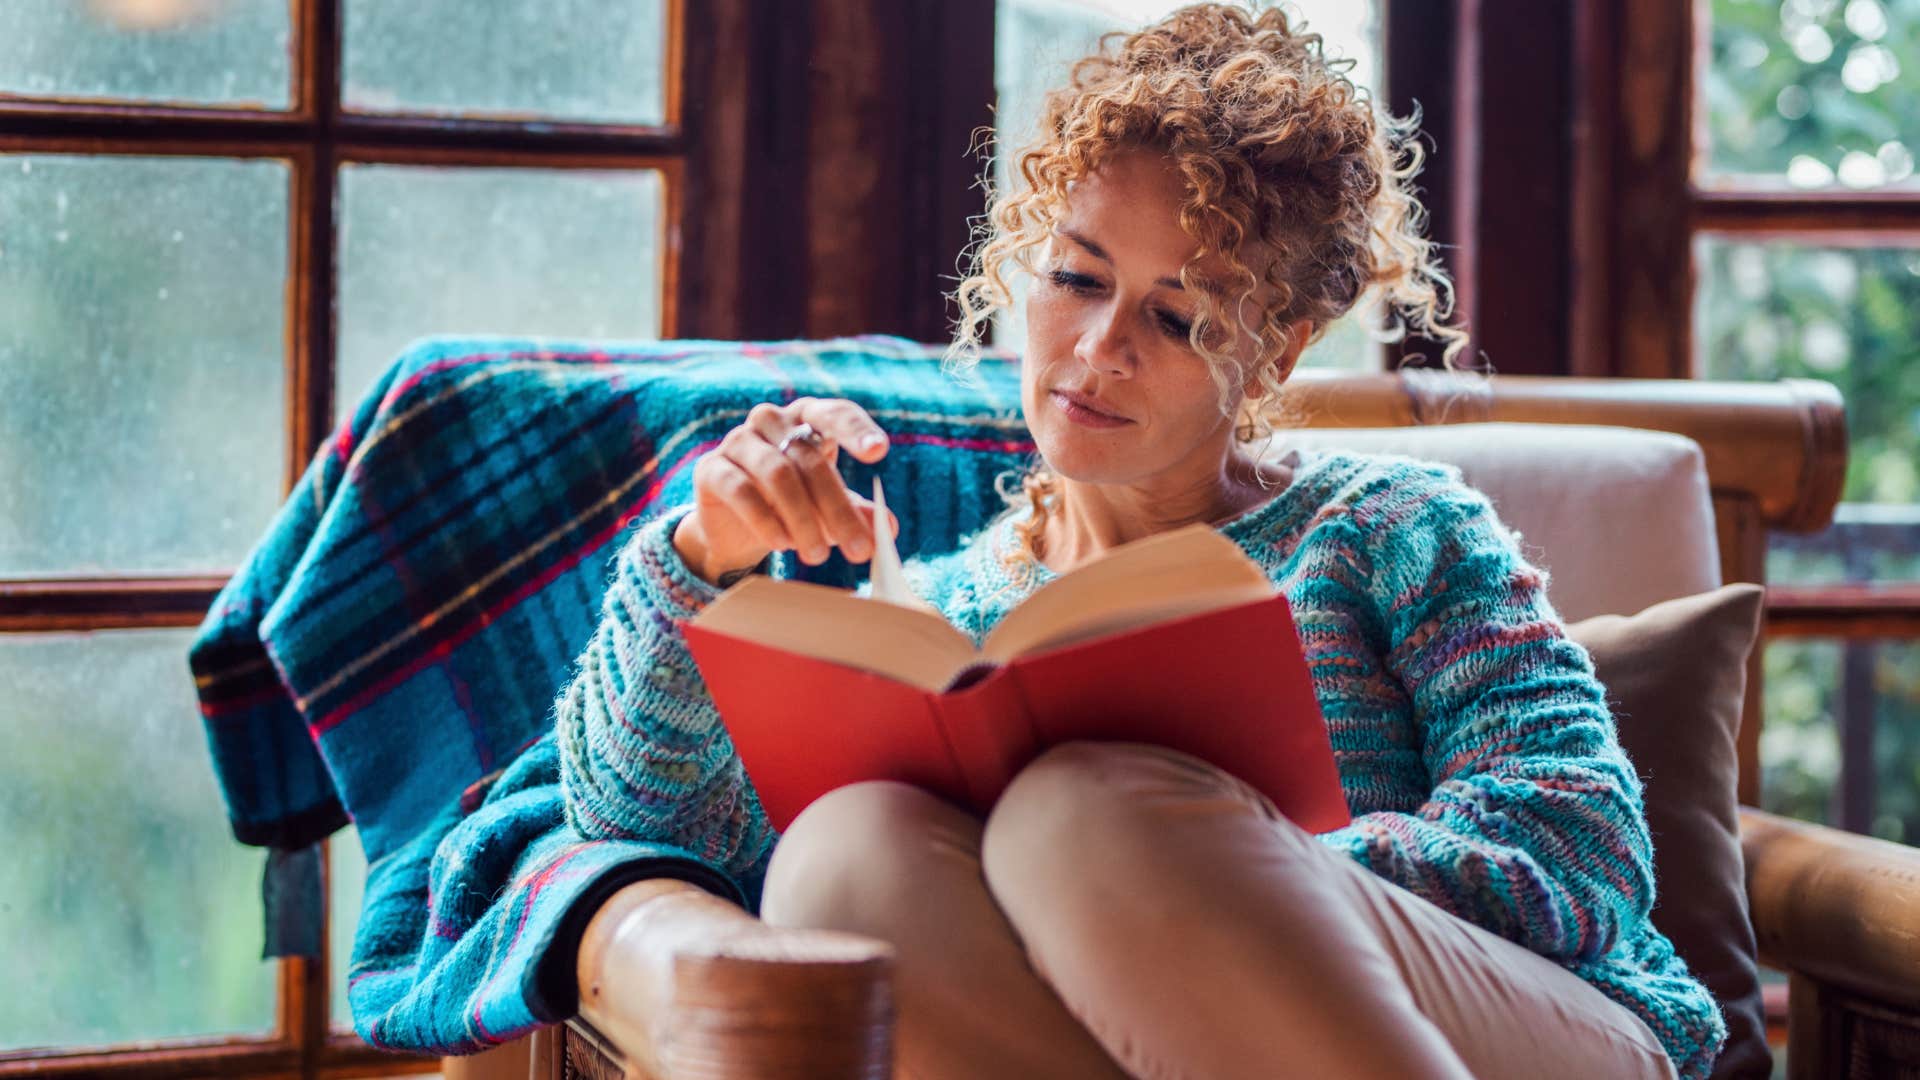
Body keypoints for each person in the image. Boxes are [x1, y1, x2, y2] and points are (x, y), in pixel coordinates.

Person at [555, 4, 1725, 1077]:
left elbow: (1582, 848)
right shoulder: (945, 613)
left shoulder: (1391, 530)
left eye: (1179, 316)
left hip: (1541, 1032)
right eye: (1076, 277)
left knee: (1085, 813)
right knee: (843, 853)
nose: (1100, 349)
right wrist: (700, 552)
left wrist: (1235, 864)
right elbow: (645, 832)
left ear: (1275, 352)